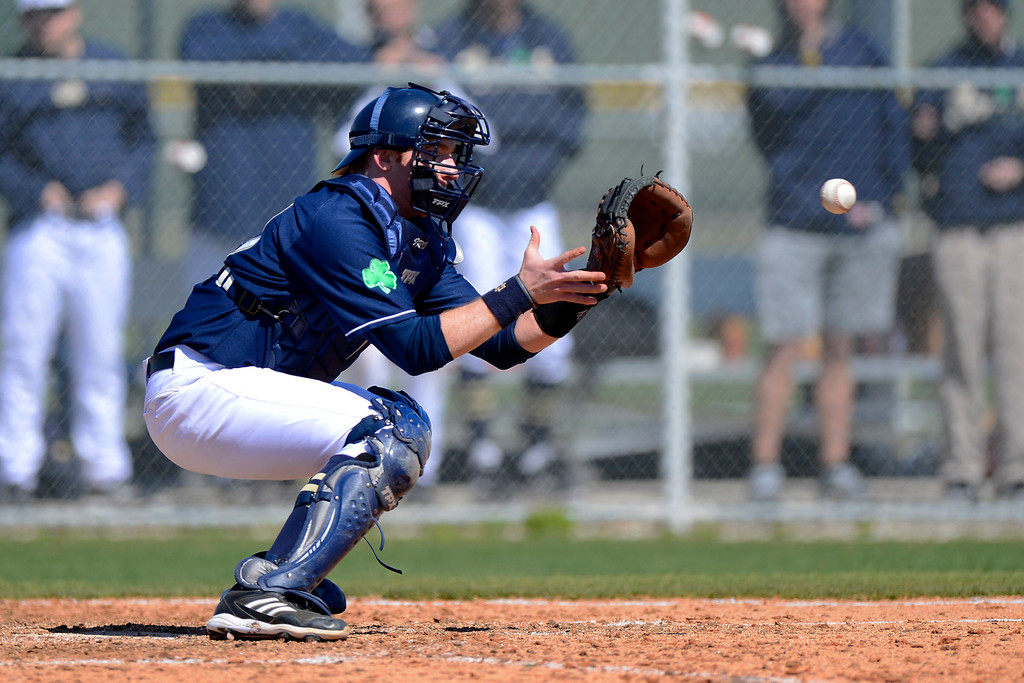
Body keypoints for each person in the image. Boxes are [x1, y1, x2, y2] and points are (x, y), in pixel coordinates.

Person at [142, 84, 606, 641]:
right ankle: (265, 594)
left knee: (397, 423)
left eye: (458, 154)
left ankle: (283, 574)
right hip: (199, 387)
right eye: (437, 151)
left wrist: (593, 284)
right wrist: (518, 290)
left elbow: (501, 346)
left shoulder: (417, 235)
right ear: (384, 157)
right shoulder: (339, 216)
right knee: (391, 430)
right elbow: (417, 349)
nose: (453, 167)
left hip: (238, 390)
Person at [744, 0, 908, 501]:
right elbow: (771, 120)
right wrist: (801, 52)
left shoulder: (864, 51)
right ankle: (765, 468)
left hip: (858, 227)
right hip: (793, 224)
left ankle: (835, 464)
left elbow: (892, 126)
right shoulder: (774, 63)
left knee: (840, 349)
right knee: (783, 347)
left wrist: (882, 197)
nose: (803, 5)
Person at [0, 0, 156, 501]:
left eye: (55, 11)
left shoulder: (111, 65)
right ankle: (14, 467)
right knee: (24, 348)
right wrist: (32, 190)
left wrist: (119, 189)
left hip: (100, 225)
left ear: (76, 13)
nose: (47, 23)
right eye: (36, 15)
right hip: (40, 226)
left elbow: (144, 141)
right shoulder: (14, 72)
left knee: (101, 350)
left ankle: (103, 467)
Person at [432, 0, 587, 497]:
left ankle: (535, 450)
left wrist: (540, 147)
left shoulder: (549, 36)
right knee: (477, 319)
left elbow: (574, 110)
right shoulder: (453, 36)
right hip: (473, 208)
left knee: (555, 320)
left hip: (533, 205)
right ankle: (483, 452)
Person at [333, 0, 452, 500]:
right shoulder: (348, 60)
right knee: (369, 356)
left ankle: (426, 460)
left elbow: (474, 138)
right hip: (372, 228)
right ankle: (366, 458)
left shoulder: (438, 57)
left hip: (420, 226)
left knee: (428, 345)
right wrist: (375, 76)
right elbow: (348, 142)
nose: (389, 11)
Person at [912, 0, 1024, 502]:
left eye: (993, 8)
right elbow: (914, 146)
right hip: (957, 224)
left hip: (1012, 226)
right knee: (961, 344)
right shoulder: (943, 72)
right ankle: (962, 466)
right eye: (976, 9)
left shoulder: (1019, 68)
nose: (985, 17)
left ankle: (1016, 468)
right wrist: (923, 132)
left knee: (1013, 347)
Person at [178, 0, 370, 288]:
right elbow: (199, 56)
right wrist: (283, 66)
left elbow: (354, 60)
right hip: (219, 214)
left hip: (286, 218)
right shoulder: (206, 26)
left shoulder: (300, 25)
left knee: (284, 323)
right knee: (206, 320)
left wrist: (265, 69)